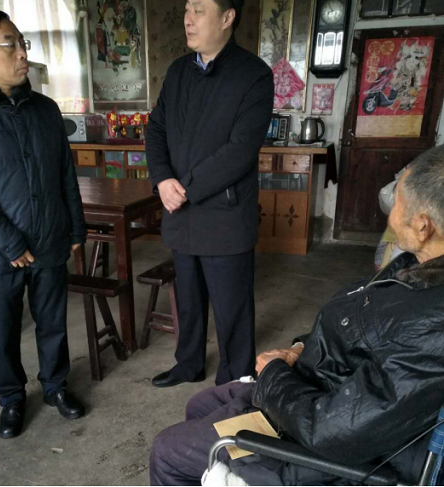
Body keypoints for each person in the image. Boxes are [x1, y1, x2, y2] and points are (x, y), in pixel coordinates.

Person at [150, 147, 444, 485]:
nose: (390, 211)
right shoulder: (417, 266)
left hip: (323, 445)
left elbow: (335, 431)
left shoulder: (431, 326)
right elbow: (360, 333)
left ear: (422, 226)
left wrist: (274, 374)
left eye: (398, 202)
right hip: (318, 388)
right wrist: (300, 348)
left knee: (167, 452)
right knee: (201, 404)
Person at [0, 9, 87, 439]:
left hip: (49, 238)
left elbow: (64, 173)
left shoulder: (45, 109)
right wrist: (9, 243)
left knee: (53, 323)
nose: (22, 53)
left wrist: (75, 228)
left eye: (22, 43)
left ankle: (56, 386)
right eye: (10, 44)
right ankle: (11, 398)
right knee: (4, 329)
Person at [146, 0, 274, 388]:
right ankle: (189, 364)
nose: (188, 19)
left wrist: (185, 188)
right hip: (180, 212)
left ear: (227, 17)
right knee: (188, 298)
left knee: (231, 305)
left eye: (199, 10)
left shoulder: (253, 75)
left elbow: (240, 150)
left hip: (224, 214)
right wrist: (162, 179)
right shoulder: (178, 72)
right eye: (187, 9)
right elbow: (156, 129)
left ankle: (235, 379)